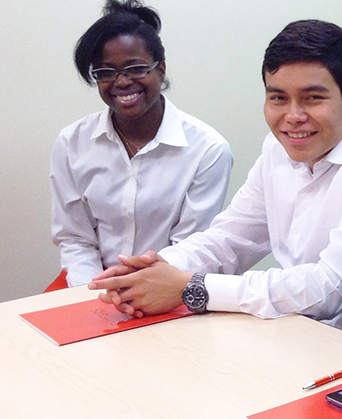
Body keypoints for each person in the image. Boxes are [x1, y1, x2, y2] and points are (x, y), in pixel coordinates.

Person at [89, 19, 342, 356]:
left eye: (313, 98)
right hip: (304, 338)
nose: (293, 116)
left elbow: (329, 288)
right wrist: (152, 270)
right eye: (278, 98)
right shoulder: (278, 149)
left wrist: (188, 287)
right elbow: (231, 239)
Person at [50, 0, 233, 287]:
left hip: (168, 284)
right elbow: (75, 238)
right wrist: (91, 294)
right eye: (105, 72)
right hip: (92, 284)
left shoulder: (207, 150)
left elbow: (189, 246)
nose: (121, 82)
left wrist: (140, 291)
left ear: (160, 69)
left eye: (135, 68)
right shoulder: (71, 143)